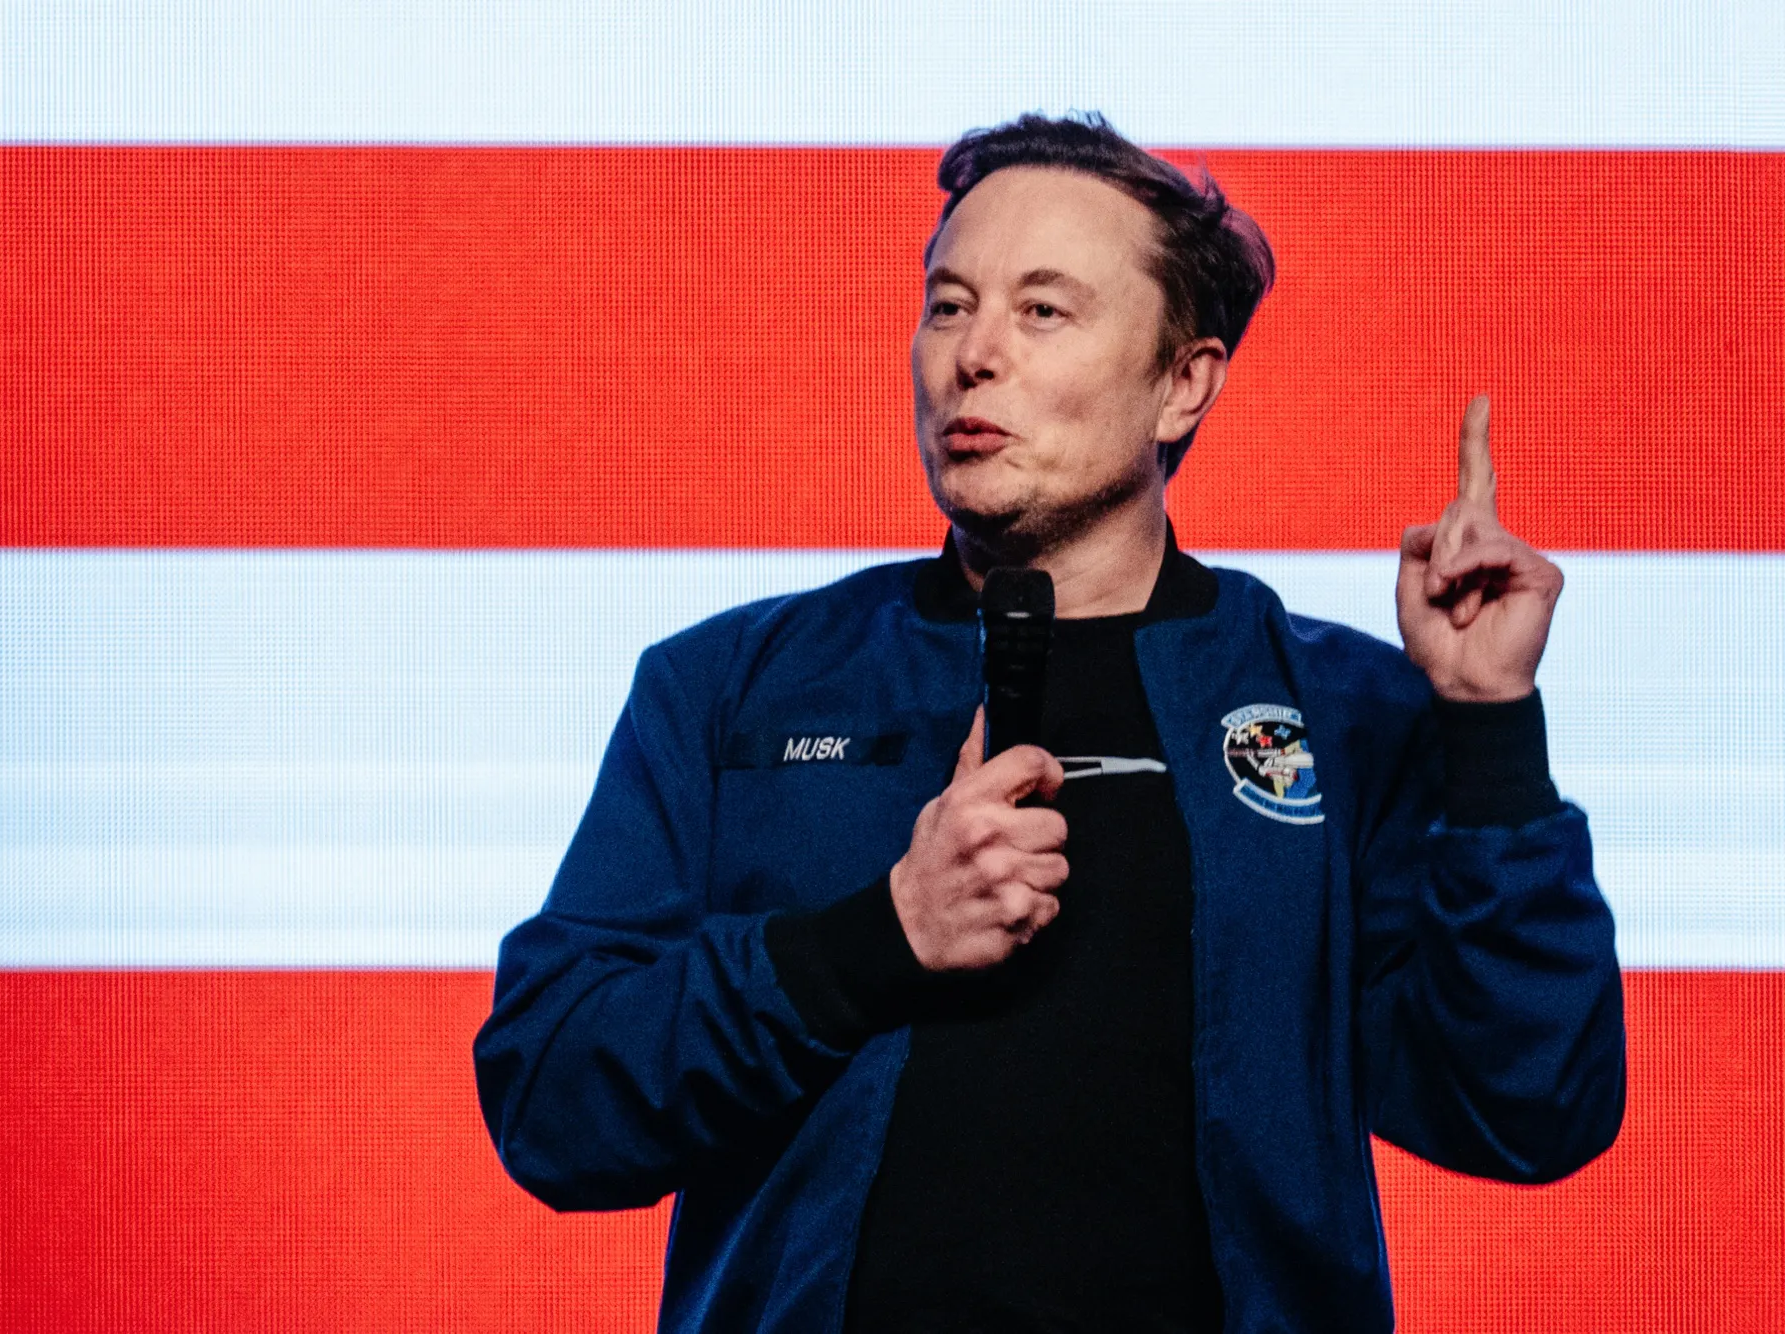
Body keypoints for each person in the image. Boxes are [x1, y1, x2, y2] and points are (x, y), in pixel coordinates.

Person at [474, 113, 1625, 1333]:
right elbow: (552, 1097)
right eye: (946, 304)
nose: (972, 356)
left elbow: (1526, 1106)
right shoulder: (731, 686)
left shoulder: (1334, 712)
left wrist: (1489, 731)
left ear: (1182, 382)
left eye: (1041, 310)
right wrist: (879, 937)